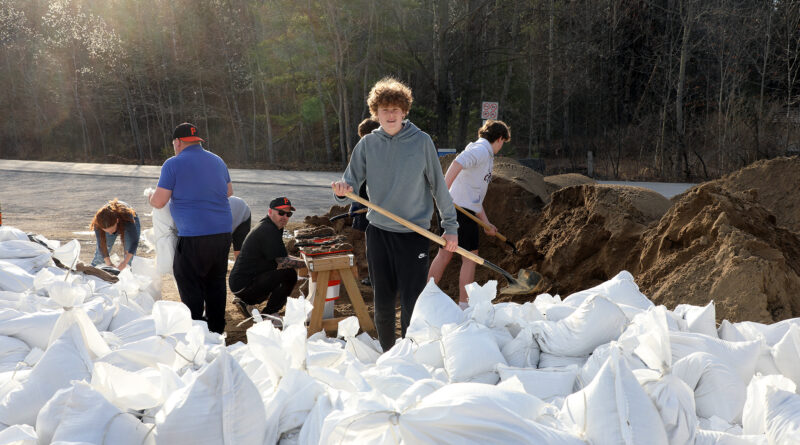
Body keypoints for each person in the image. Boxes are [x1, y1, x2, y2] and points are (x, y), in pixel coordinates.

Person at [332, 77, 459, 352]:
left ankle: (410, 353)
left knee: (413, 300)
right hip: (378, 233)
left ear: (404, 112)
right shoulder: (367, 145)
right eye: (384, 109)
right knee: (383, 299)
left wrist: (450, 227)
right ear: (375, 113)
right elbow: (349, 182)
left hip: (414, 234)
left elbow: (439, 187)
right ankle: (389, 354)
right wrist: (342, 190)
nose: (390, 115)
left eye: (395, 109)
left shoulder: (422, 142)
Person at [149, 123, 233, 334]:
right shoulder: (218, 160)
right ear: (197, 141)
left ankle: (195, 329)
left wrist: (150, 196)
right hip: (222, 233)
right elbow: (229, 192)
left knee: (188, 279)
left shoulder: (173, 164)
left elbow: (159, 202)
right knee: (215, 281)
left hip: (195, 235)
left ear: (177, 142)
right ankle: (216, 330)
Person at [427, 120, 510, 309]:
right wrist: (443, 192)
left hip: (462, 209)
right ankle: (464, 306)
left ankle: (427, 295)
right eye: (503, 142)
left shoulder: (486, 155)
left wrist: (486, 224)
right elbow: (457, 163)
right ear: (499, 139)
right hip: (456, 210)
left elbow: (475, 198)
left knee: (446, 254)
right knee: (470, 257)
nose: (501, 146)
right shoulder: (481, 150)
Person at [228, 197, 304, 320]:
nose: (284, 217)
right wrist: (308, 263)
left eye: (288, 214)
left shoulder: (273, 226)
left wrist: (305, 261)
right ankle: (269, 314)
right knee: (289, 275)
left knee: (282, 273)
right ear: (270, 212)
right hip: (244, 286)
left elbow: (282, 256)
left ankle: (246, 302)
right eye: (281, 213)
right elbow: (283, 261)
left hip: (242, 284)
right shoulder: (268, 230)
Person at [352, 118, 381, 286]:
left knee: (377, 242)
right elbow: (356, 182)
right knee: (370, 241)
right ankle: (374, 275)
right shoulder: (362, 152)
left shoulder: (379, 153)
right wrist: (355, 205)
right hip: (365, 205)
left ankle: (378, 276)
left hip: (377, 206)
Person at [90, 199, 141, 271]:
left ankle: (129, 275)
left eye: (111, 230)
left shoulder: (127, 218)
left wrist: (124, 263)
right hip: (109, 222)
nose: (110, 233)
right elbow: (101, 244)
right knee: (100, 258)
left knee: (129, 261)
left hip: (127, 219)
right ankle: (92, 272)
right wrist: (109, 264)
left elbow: (134, 242)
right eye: (107, 231)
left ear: (117, 221)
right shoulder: (98, 223)